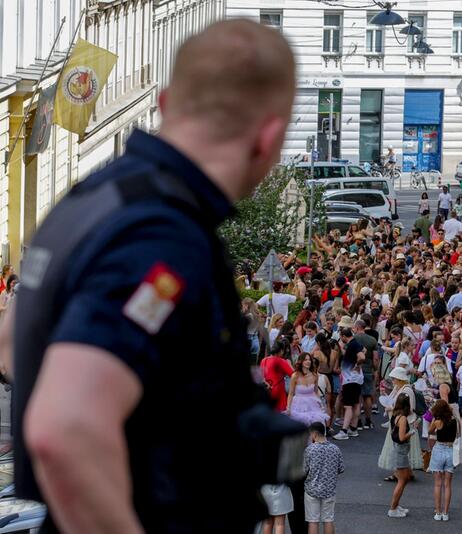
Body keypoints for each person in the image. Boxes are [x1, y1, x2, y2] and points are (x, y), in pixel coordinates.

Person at [0, 19, 299, 533]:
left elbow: (10, 343)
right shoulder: (162, 236)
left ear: (163, 104)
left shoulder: (95, 199)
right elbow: (63, 428)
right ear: (269, 138)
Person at [303, 422, 344, 534]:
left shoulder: (310, 450)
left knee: (313, 520)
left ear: (314, 434)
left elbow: (304, 470)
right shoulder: (335, 449)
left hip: (312, 489)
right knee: (328, 519)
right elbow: (341, 468)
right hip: (329, 489)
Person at [426, 399, 458, 521]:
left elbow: (429, 432)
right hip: (450, 450)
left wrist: (434, 421)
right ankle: (445, 513)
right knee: (448, 484)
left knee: (438, 484)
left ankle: (438, 512)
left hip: (439, 449)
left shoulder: (437, 421)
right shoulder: (454, 420)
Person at [332, 327, 365, 440]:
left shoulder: (353, 344)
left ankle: (344, 430)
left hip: (350, 379)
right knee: (355, 404)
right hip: (356, 379)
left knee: (348, 406)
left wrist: (357, 365)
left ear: (344, 336)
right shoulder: (355, 344)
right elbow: (363, 351)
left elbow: (362, 356)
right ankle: (353, 429)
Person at [387, 393, 416, 518]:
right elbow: (402, 437)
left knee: (404, 479)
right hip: (401, 451)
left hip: (398, 450)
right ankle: (393, 509)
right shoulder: (403, 418)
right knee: (402, 480)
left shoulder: (395, 415)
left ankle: (396, 505)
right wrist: (412, 432)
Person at [287, 352, 331, 426]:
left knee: (315, 426)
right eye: (305, 360)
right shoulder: (295, 376)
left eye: (309, 360)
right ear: (301, 361)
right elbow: (291, 393)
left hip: (313, 404)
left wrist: (320, 404)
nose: (308, 362)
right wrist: (288, 407)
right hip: (298, 405)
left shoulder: (314, 375)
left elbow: (316, 392)